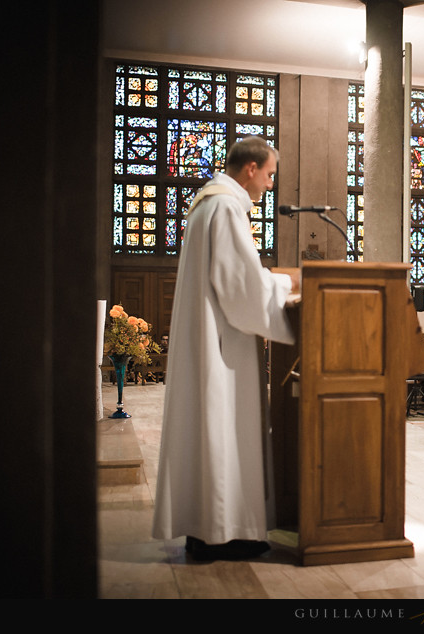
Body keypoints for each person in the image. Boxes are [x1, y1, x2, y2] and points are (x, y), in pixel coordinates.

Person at [152, 136, 300, 561]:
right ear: (250, 168)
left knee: (212, 431)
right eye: (270, 175)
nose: (270, 185)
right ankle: (222, 533)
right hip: (223, 346)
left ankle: (208, 530)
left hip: (214, 337)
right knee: (223, 429)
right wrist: (286, 282)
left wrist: (268, 281)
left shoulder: (207, 203)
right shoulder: (225, 206)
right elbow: (242, 288)